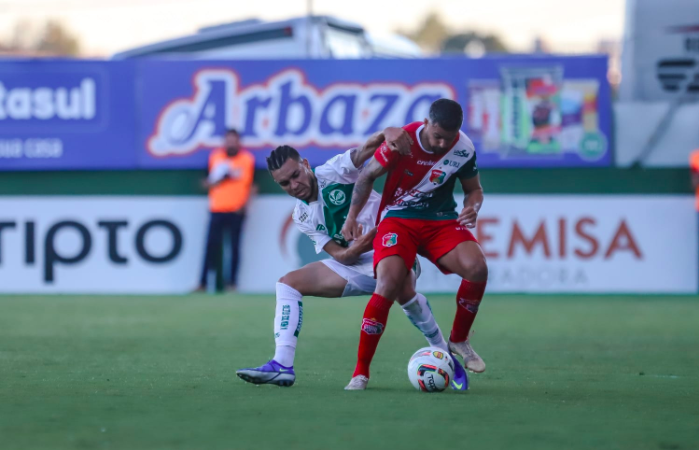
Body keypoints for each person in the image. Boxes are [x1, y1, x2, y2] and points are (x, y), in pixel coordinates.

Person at [236, 127, 462, 388]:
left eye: (296, 175)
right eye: (285, 183)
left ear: (306, 164)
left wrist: (387, 133)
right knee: (286, 284)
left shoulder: (333, 171)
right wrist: (361, 245)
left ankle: (444, 353)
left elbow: (368, 148)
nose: (294, 185)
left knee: (402, 292)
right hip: (357, 263)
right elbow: (341, 256)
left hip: (394, 247)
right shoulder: (301, 216)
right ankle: (282, 364)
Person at [341, 99, 487, 391]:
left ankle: (459, 339)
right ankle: (361, 372)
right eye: (437, 136)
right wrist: (351, 218)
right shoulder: (401, 141)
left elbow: (474, 189)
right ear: (425, 122)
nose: (442, 143)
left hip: (440, 220)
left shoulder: (463, 149)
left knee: (477, 268)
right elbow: (367, 176)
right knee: (389, 283)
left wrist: (474, 206)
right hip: (398, 219)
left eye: (449, 137)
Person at [199, 129, 255, 292]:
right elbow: (205, 183)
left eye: (234, 140)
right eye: (228, 140)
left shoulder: (246, 159)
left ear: (239, 142)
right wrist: (219, 178)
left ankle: (231, 283)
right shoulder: (215, 157)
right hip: (217, 208)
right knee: (211, 247)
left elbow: (252, 185)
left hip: (237, 210)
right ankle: (203, 283)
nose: (231, 143)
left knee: (235, 248)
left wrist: (246, 205)